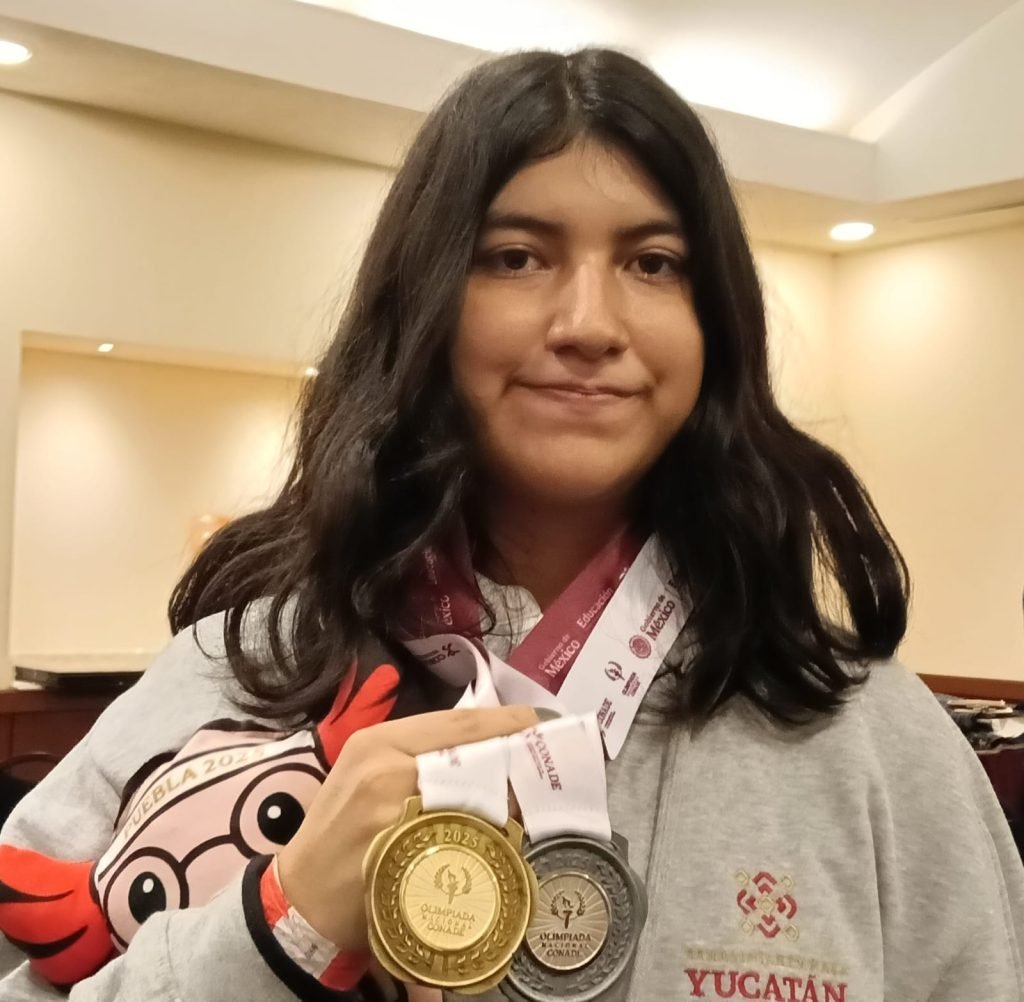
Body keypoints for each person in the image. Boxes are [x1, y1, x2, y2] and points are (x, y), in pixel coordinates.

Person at [1, 47, 1022, 1002]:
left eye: (654, 262)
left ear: (714, 322)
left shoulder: (872, 740)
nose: (589, 324)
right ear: (425, 303)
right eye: (517, 256)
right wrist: (280, 929)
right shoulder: (232, 679)